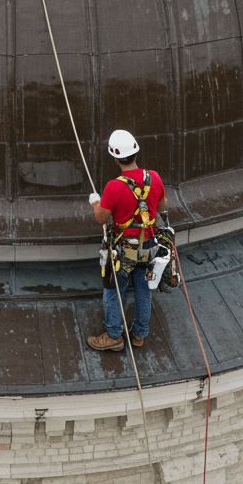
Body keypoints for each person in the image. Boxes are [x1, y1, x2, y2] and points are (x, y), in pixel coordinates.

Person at [86, 130, 167, 352]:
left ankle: (113, 336)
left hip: (124, 250)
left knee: (114, 289)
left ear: (115, 158)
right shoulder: (155, 178)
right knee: (143, 288)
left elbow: (101, 218)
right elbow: (162, 207)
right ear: (135, 151)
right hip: (149, 246)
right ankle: (139, 334)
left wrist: (96, 203)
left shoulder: (114, 187)